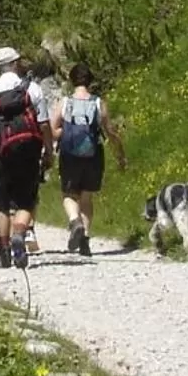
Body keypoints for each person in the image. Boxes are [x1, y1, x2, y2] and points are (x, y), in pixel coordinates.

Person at [0, 44, 51, 269]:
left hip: (2, 155)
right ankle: (19, 235)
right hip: (29, 152)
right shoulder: (32, 89)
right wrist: (49, 151)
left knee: (3, 205)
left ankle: (4, 251)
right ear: (15, 64)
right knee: (27, 201)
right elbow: (44, 124)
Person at [51, 63, 125, 256]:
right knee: (86, 197)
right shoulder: (98, 103)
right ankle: (85, 239)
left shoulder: (65, 102)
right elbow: (110, 131)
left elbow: (52, 129)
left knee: (69, 194)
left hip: (69, 155)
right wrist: (120, 154)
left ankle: (75, 221)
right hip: (93, 154)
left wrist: (66, 133)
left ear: (72, 81)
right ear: (90, 81)